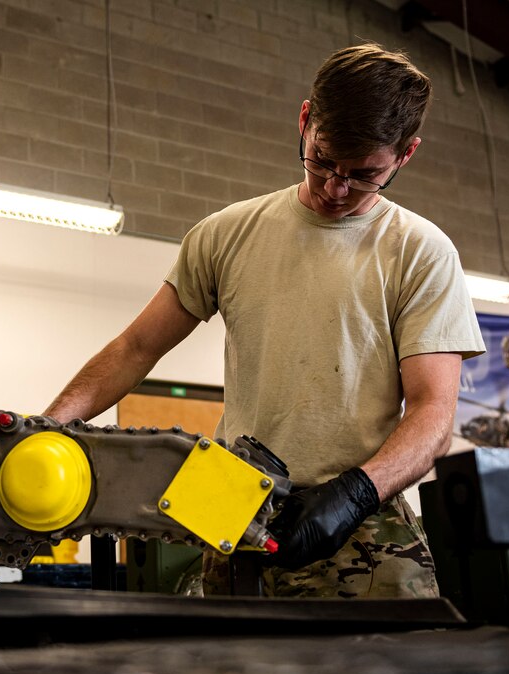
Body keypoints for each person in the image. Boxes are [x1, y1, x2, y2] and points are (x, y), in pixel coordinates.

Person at [44, 43, 485, 600]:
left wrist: (355, 494)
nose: (335, 188)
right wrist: (45, 429)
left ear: (406, 155)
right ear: (304, 121)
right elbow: (135, 348)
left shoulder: (422, 252)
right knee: (228, 672)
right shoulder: (225, 234)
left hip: (359, 506)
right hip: (230, 497)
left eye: (364, 175)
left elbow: (433, 414)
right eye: (322, 160)